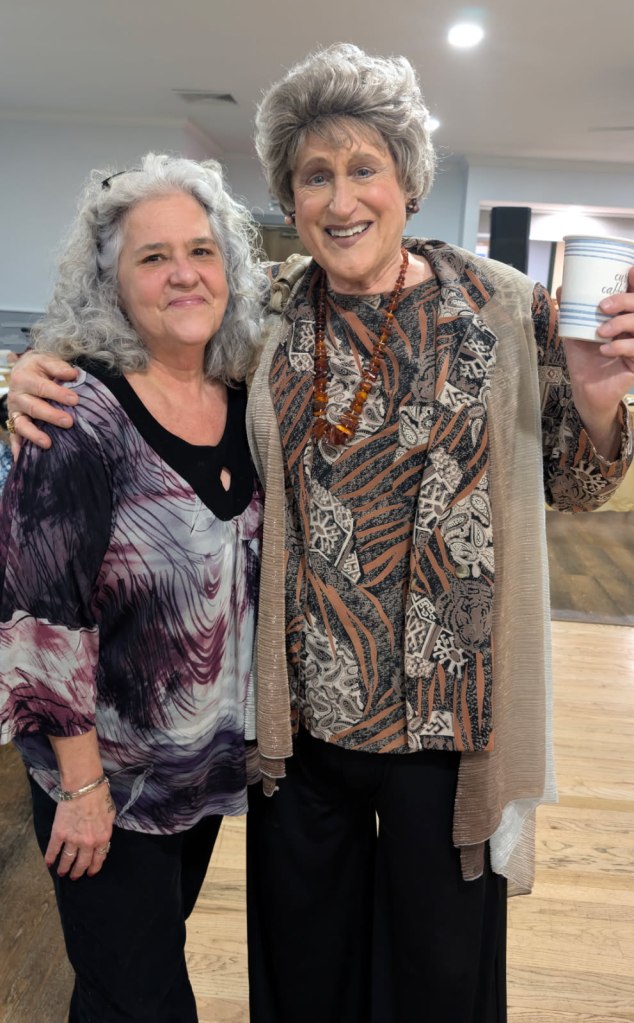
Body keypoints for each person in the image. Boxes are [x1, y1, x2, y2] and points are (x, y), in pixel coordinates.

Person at [7, 43, 634, 1023]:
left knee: (438, 980)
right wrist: (34, 371)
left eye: (363, 168)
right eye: (314, 175)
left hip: (447, 726)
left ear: (408, 182)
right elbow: (148, 351)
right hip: (297, 732)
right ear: (290, 200)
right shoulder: (265, 318)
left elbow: (578, 485)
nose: (341, 199)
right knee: (306, 978)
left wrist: (596, 397)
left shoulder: (505, 306)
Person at [0, 152, 265, 1023]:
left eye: (201, 250)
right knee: (145, 1001)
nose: (184, 273)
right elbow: (39, 620)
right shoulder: (76, 412)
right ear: (111, 282)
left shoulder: (246, 397)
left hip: (197, 776)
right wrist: (82, 791)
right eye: (154, 257)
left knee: (121, 987)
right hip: (104, 782)